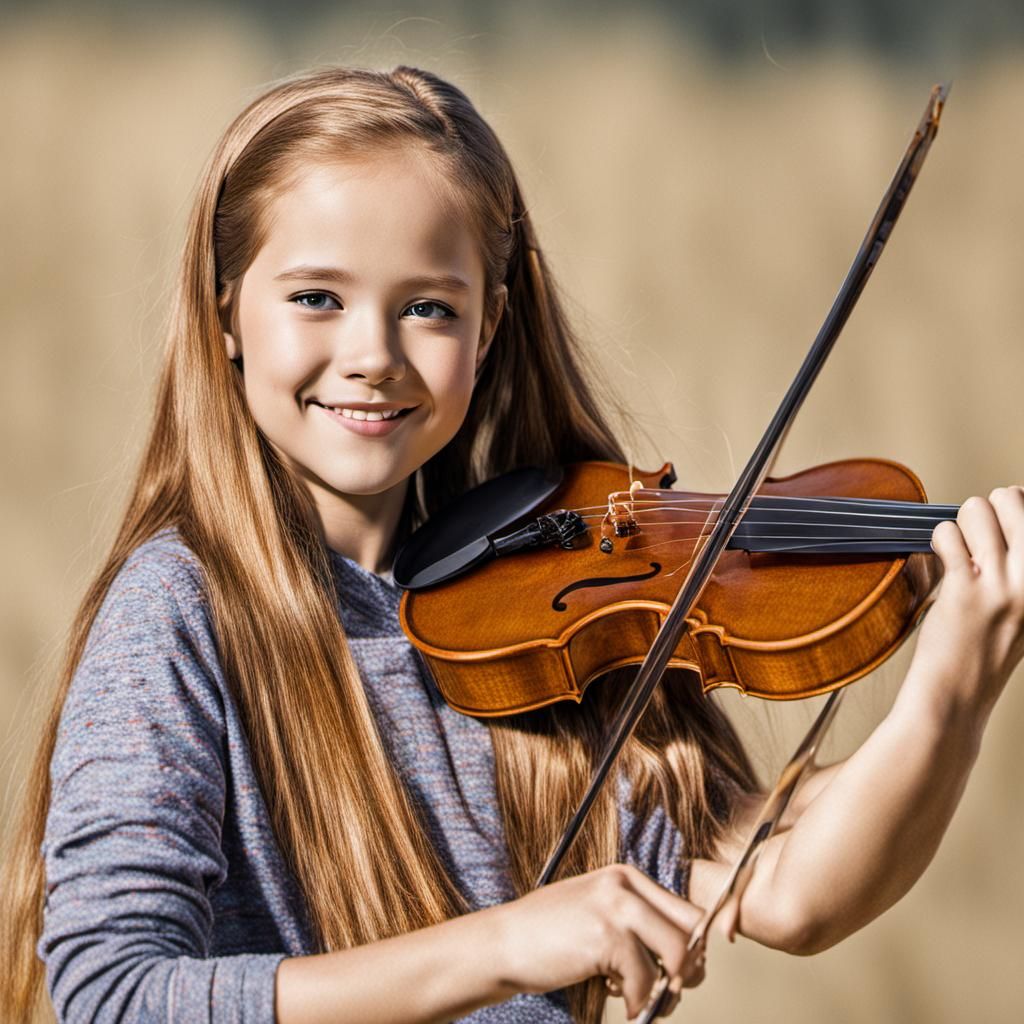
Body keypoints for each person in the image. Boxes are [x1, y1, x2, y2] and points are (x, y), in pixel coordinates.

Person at [1, 64, 1021, 1024]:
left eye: (428, 308)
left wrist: (953, 686)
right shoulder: (178, 610)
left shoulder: (534, 619)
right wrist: (503, 944)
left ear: (488, 329)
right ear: (225, 308)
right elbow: (115, 991)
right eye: (317, 296)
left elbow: (786, 887)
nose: (371, 354)